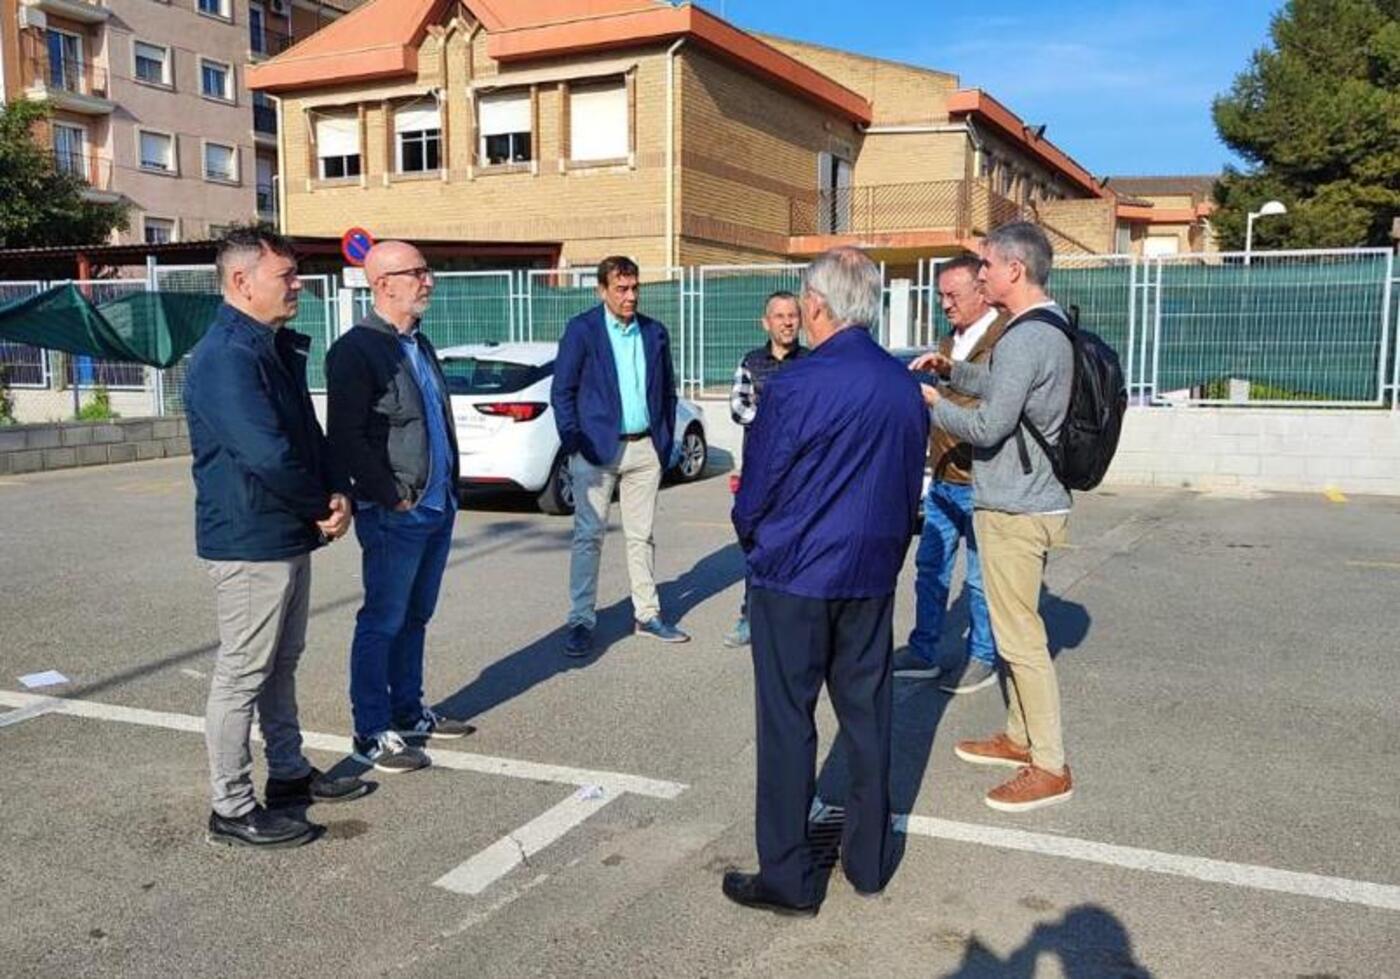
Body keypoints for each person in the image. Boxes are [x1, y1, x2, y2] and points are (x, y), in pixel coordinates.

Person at [725, 247, 928, 915]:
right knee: (868, 718)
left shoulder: (795, 385)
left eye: (804, 305)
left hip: (796, 576)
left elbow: (758, 488)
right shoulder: (903, 385)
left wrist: (751, 537)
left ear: (816, 306)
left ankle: (787, 876)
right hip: (869, 574)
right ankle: (867, 863)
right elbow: (905, 489)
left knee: (787, 722)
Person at [184, 227, 368, 849]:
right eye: (285, 276)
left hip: (284, 530)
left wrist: (336, 490)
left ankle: (288, 775)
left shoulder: (267, 346)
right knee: (242, 675)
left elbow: (304, 435)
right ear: (241, 282)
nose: (297, 286)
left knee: (280, 664)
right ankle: (231, 807)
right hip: (249, 540)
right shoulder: (225, 357)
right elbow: (264, 452)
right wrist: (320, 504)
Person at [916, 221, 1075, 813]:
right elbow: (1002, 387)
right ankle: (1018, 736)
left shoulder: (1028, 337)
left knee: (1022, 639)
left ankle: (1050, 764)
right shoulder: (1038, 329)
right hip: (1021, 498)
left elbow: (988, 425)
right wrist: (952, 371)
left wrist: (934, 404)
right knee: (1014, 632)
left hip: (1017, 505)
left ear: (1014, 269)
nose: (979, 275)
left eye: (986, 266)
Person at [326, 240, 475, 776]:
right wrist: (390, 495)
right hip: (396, 513)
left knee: (416, 616)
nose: (429, 281)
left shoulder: (420, 344)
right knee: (383, 620)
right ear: (384, 283)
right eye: (418, 273)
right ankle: (371, 729)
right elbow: (345, 437)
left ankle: (409, 711)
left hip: (437, 505)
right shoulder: (356, 350)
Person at [551, 256, 689, 656]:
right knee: (588, 537)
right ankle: (580, 620)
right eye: (621, 289)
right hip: (595, 451)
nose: (630, 297)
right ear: (602, 290)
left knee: (641, 536)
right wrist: (574, 442)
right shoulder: (583, 331)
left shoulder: (653, 332)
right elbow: (563, 391)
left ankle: (647, 615)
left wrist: (663, 444)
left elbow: (667, 391)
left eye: (634, 288)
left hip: (645, 449)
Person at [893, 256, 1008, 693]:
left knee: (980, 579)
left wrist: (934, 402)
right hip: (942, 476)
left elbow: (988, 410)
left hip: (983, 480)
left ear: (981, 290)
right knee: (930, 568)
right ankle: (924, 650)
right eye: (940, 295)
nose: (944, 304)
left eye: (952, 295)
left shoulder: (1004, 339)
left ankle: (981, 657)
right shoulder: (947, 342)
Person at [724, 290, 806, 648]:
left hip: (801, 476)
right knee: (756, 548)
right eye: (780, 316)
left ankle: (794, 622)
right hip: (759, 473)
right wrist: (781, 422)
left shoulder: (812, 363)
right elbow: (739, 409)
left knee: (799, 547)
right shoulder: (750, 362)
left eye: (793, 315)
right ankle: (750, 617)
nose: (788, 322)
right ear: (766, 322)